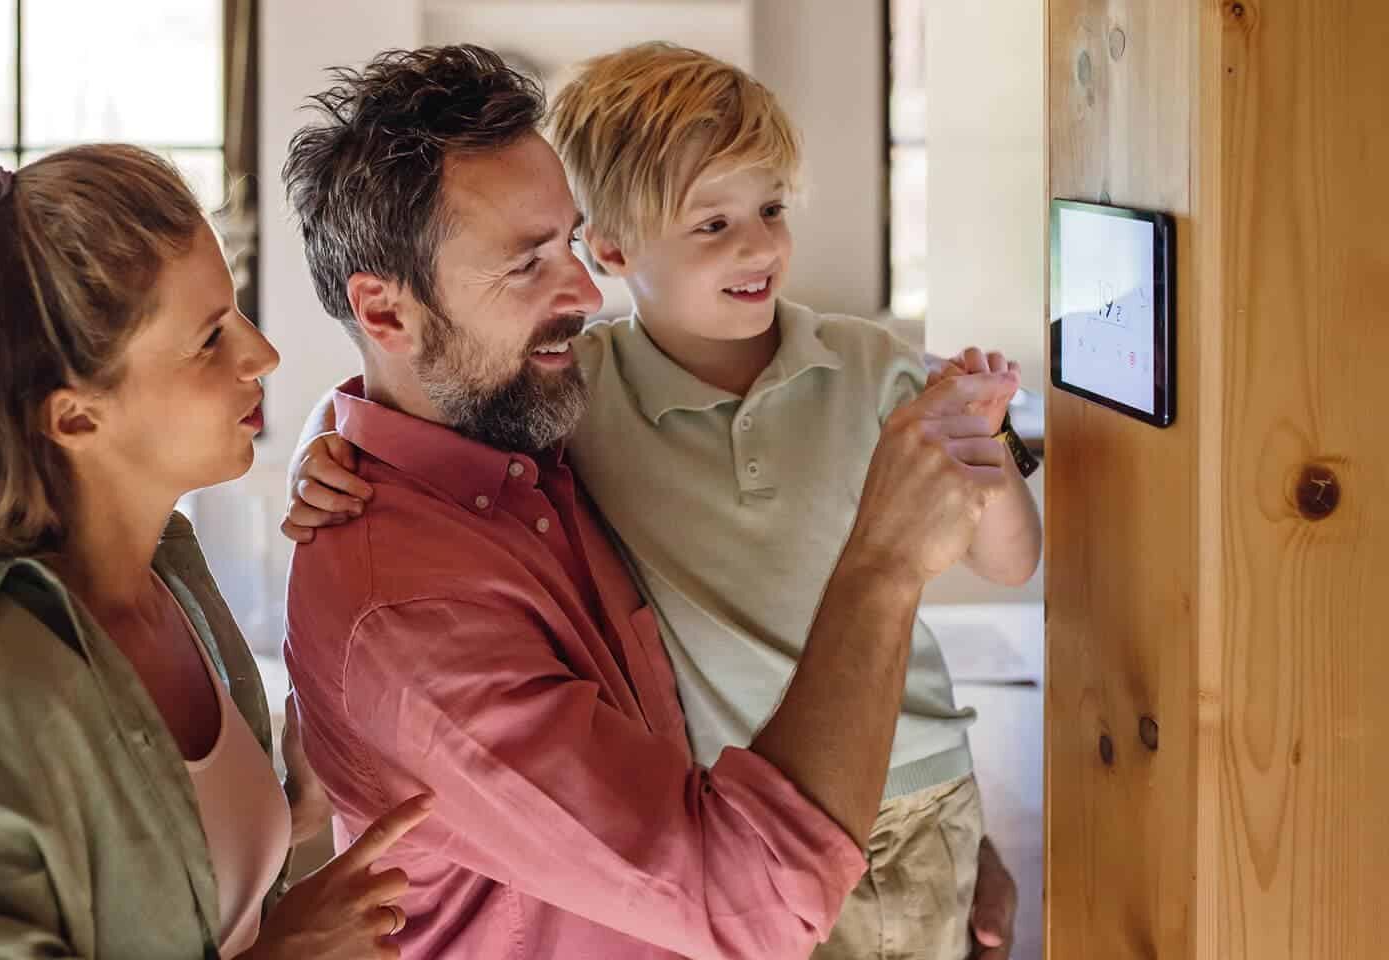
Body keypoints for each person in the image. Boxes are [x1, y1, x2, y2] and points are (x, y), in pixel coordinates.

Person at [287, 43, 1038, 959]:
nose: (582, 290)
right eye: (529, 264)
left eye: (564, 243)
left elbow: (410, 395)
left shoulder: (528, 420)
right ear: (387, 313)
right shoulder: (421, 598)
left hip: (893, 807)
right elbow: (749, 901)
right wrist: (881, 564)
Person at [0, 144, 429, 960]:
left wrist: (292, 802)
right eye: (208, 339)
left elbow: (165, 874)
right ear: (76, 418)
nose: (261, 355)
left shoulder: (169, 582)